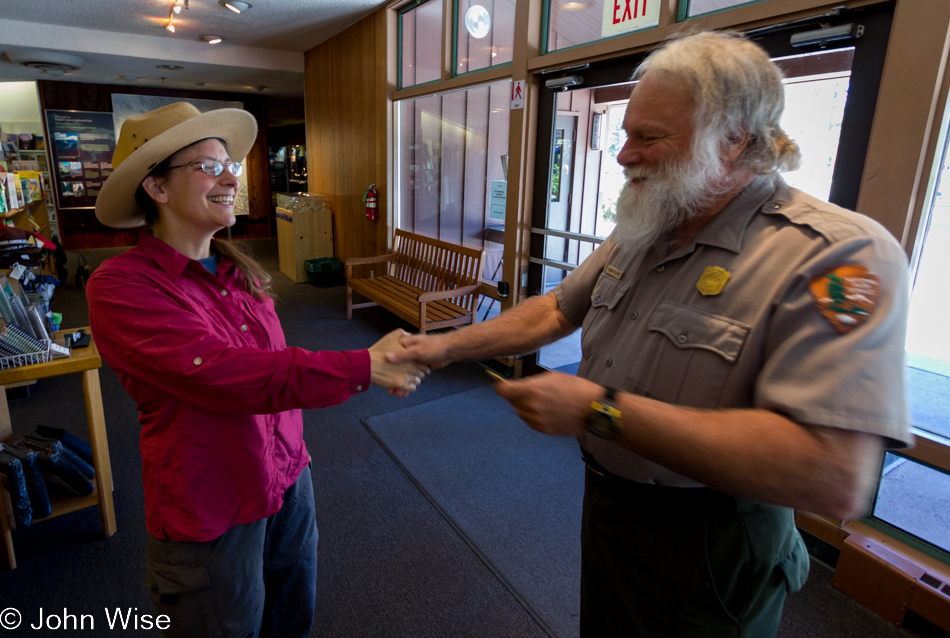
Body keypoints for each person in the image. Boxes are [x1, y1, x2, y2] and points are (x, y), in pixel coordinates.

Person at [389, 32, 913, 637]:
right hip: (609, 506)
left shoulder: (839, 256)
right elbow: (557, 308)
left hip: (710, 541)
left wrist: (602, 411)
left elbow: (833, 473)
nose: (624, 155)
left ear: (734, 138)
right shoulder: (648, 224)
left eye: (649, 137)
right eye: (626, 135)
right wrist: (444, 345)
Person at [87, 102, 428, 638]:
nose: (230, 177)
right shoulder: (120, 286)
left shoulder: (237, 268)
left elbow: (272, 369)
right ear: (155, 188)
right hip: (212, 504)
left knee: (292, 620)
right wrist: (363, 365)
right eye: (208, 165)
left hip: (289, 479)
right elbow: (226, 373)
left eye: (230, 165)